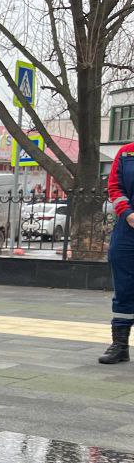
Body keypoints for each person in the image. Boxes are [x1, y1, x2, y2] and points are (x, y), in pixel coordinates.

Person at [101, 140, 134, 363]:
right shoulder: (126, 152)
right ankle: (120, 345)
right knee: (124, 287)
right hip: (128, 226)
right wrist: (128, 213)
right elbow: (115, 187)